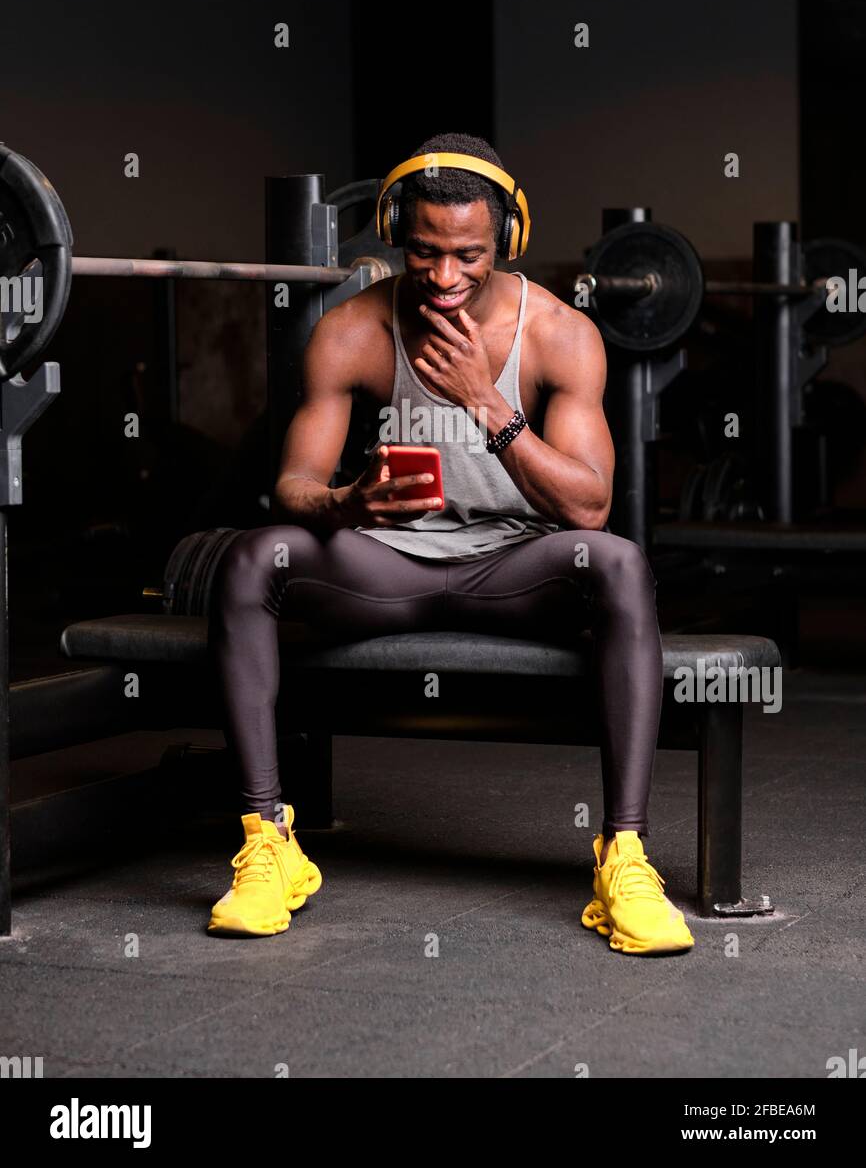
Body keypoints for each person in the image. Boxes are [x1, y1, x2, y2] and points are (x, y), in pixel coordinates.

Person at [206, 132, 694, 955]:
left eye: (467, 254)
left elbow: (591, 508)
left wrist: (487, 404)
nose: (443, 276)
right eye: (425, 252)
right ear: (397, 230)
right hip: (389, 565)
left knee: (618, 564)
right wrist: (346, 500)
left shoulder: (561, 336)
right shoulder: (353, 330)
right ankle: (269, 843)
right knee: (255, 556)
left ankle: (625, 856)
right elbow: (291, 485)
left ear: (508, 239)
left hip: (518, 567)